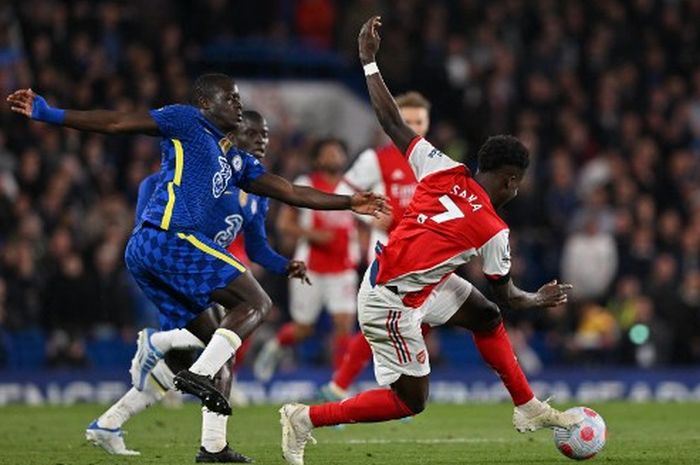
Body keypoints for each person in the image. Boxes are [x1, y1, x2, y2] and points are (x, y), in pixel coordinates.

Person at [7, 75, 387, 438]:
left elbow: (289, 190)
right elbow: (119, 122)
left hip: (163, 250)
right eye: (231, 97)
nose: (239, 104)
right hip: (167, 239)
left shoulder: (235, 165)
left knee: (223, 346)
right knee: (256, 302)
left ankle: (211, 444)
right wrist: (49, 113)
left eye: (241, 99)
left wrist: (349, 202)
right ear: (205, 103)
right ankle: (173, 354)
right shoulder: (187, 121)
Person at [278, 17, 582, 465]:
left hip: (414, 281)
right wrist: (541, 298)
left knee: (484, 315)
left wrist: (368, 62)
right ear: (512, 180)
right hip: (391, 303)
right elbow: (512, 295)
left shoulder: (442, 167)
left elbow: (390, 121)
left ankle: (528, 406)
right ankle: (304, 419)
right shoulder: (494, 230)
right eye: (518, 185)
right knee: (409, 401)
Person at [84, 110, 302, 462]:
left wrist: (285, 265)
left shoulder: (255, 191)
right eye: (254, 132)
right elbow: (150, 190)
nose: (263, 140)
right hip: (178, 267)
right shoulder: (204, 170)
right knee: (213, 357)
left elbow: (259, 247)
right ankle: (162, 348)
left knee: (183, 363)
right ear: (233, 134)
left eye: (266, 134)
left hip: (209, 276)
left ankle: (110, 422)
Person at [320, 91, 429, 400]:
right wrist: (371, 219)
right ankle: (342, 385)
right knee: (384, 322)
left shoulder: (431, 159)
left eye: (419, 121)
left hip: (425, 253)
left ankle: (398, 387)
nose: (413, 127)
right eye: (406, 121)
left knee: (418, 320)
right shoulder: (375, 159)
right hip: (390, 252)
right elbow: (344, 192)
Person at [253, 138, 359, 381]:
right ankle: (275, 346)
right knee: (304, 329)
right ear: (318, 159)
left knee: (343, 325)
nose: (333, 157)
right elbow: (283, 224)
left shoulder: (353, 186)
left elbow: (364, 223)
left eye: (338, 153)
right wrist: (312, 234)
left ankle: (339, 384)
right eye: (328, 153)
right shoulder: (305, 184)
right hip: (309, 268)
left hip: (343, 268)